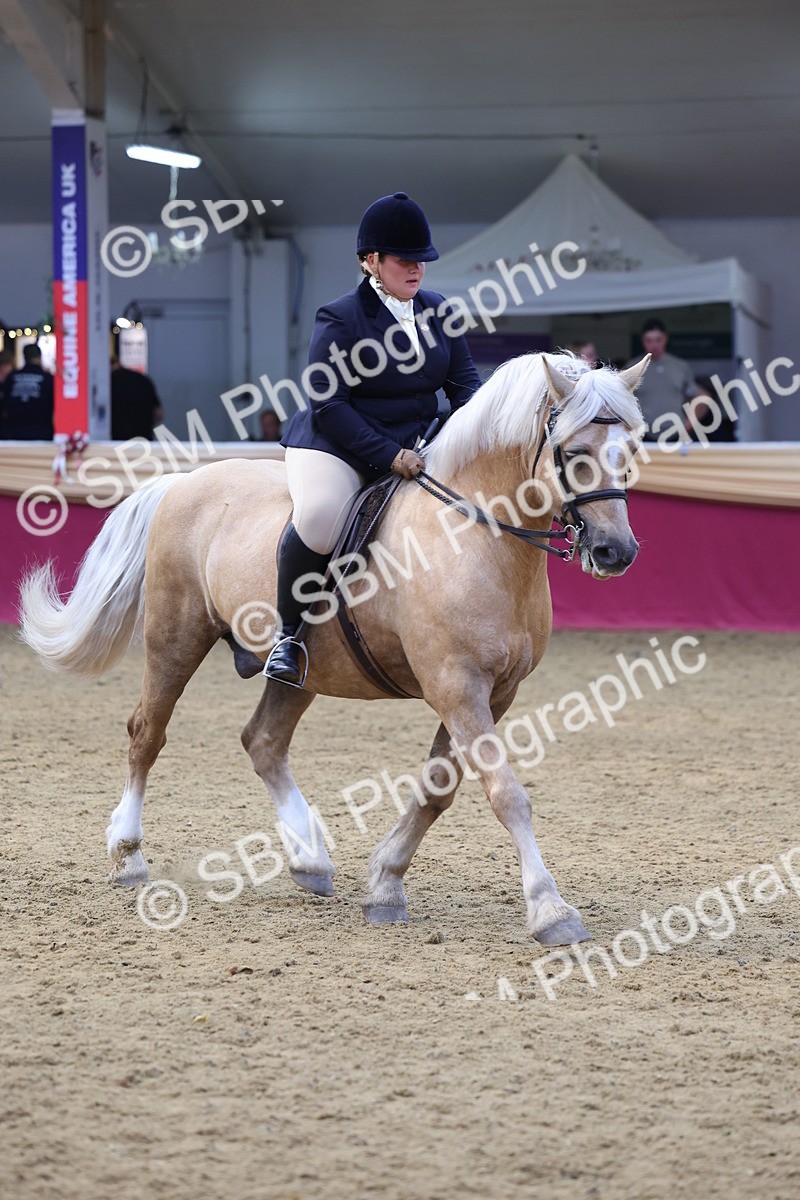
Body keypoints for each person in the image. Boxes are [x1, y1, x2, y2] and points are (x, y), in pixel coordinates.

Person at [269, 191, 481, 685]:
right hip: (337, 443)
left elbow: (466, 388)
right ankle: (287, 636)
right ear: (371, 261)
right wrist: (388, 456)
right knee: (321, 520)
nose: (417, 270)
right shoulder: (339, 317)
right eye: (404, 260)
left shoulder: (440, 311)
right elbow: (329, 404)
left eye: (421, 261)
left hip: (417, 446)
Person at [626, 319, 701, 441]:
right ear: (643, 341)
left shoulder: (680, 366)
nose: (654, 345)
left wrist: (689, 423)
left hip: (677, 434)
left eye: (658, 340)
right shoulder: (632, 368)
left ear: (665, 339)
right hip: (644, 436)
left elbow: (695, 396)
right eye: (649, 340)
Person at [2, 343, 54, 439]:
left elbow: (4, 403)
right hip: (41, 431)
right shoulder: (48, 379)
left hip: (13, 432)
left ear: (24, 357)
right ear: (39, 357)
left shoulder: (12, 377)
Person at [110, 356, 164, 440]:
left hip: (117, 439)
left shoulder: (108, 383)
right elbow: (159, 414)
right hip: (143, 439)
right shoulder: (143, 380)